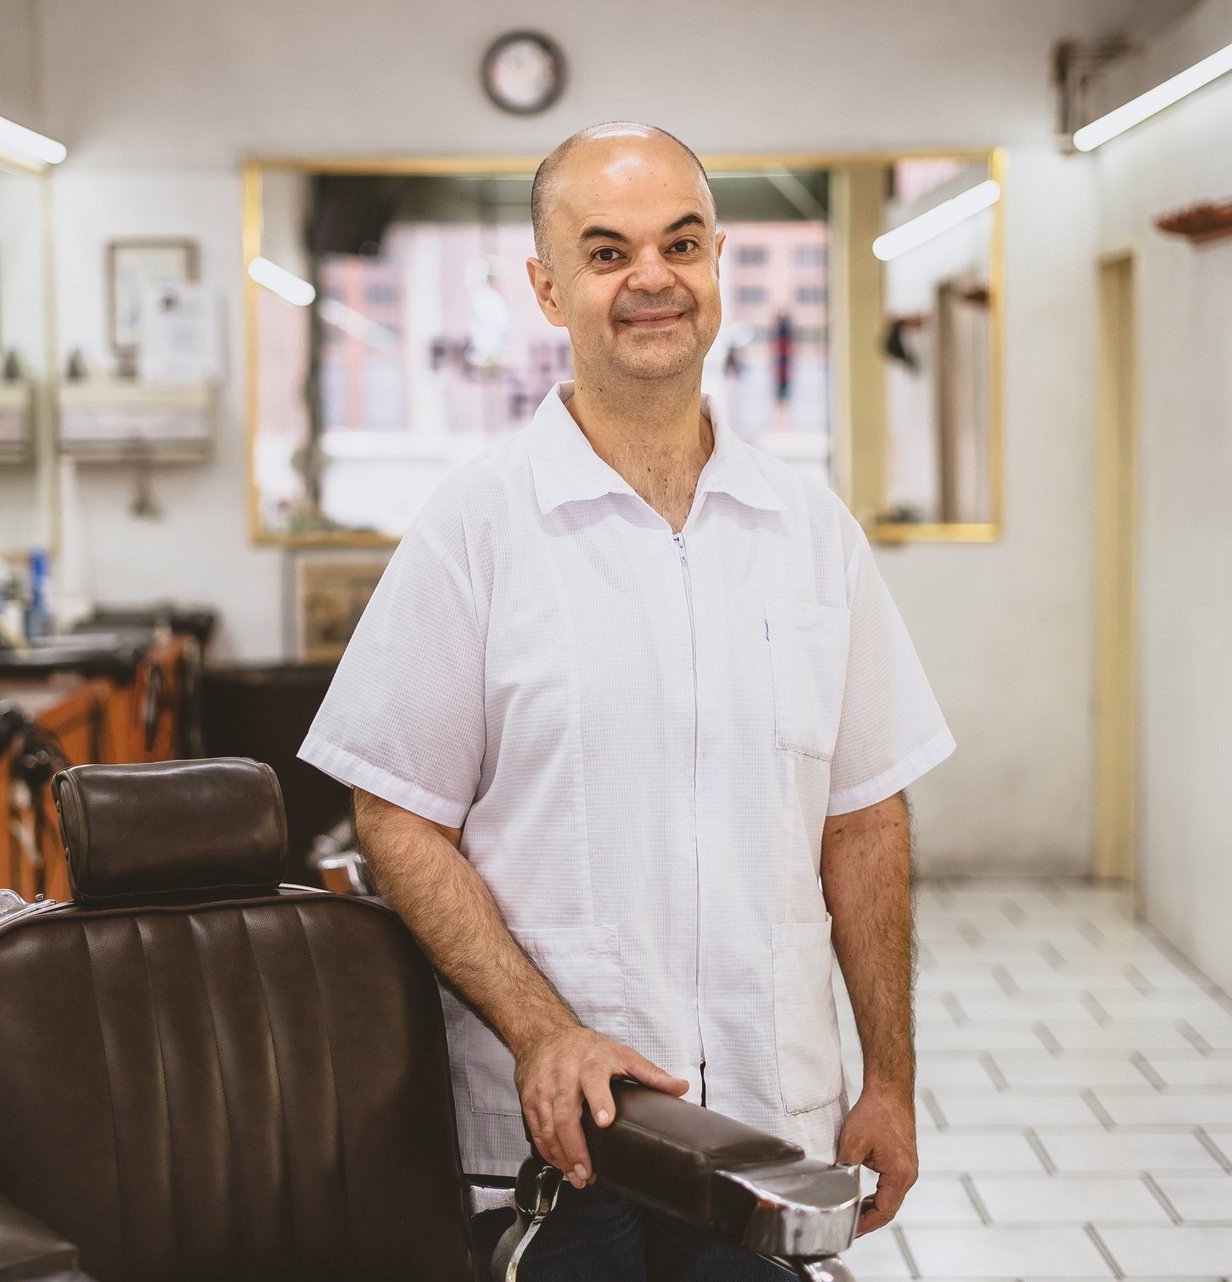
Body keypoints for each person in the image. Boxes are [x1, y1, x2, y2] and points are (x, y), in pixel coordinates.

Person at [299, 121, 954, 1280]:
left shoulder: (810, 533)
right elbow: (395, 812)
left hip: (770, 1126)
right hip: (559, 1152)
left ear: (717, 267)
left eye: (680, 243)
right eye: (607, 253)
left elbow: (863, 817)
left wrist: (890, 1077)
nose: (651, 277)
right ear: (549, 290)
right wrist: (543, 1030)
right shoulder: (478, 528)